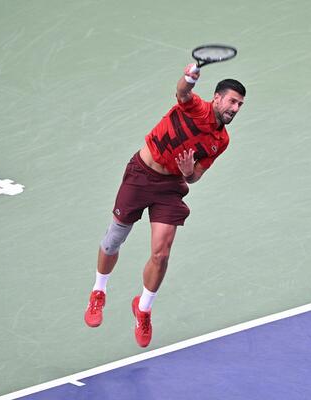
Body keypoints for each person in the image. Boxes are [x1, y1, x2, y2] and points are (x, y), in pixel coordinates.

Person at [84, 62, 246, 348]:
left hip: (170, 187)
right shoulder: (196, 107)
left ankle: (143, 309)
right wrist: (189, 77)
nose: (235, 108)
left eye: (240, 105)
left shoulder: (221, 140)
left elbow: (196, 176)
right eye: (232, 101)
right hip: (141, 174)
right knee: (113, 240)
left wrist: (186, 172)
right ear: (217, 98)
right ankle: (99, 292)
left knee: (161, 254)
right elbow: (182, 92)